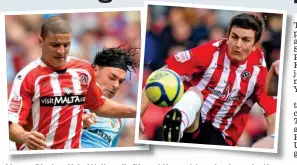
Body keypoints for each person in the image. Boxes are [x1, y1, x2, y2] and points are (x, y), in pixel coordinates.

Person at [141, 13, 277, 147]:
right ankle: (176, 123)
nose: (238, 44)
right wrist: (138, 115)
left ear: (255, 45)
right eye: (234, 37)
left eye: (246, 40)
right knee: (194, 92)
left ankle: (178, 122)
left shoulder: (260, 72)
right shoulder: (210, 52)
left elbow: (272, 117)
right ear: (227, 36)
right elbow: (162, 75)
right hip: (192, 123)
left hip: (221, 137)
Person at [8, 16, 136, 150]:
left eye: (66, 45)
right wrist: (24, 136)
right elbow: (11, 124)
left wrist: (136, 112)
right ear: (41, 42)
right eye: (55, 45)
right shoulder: (27, 76)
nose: (61, 51)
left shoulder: (83, 70)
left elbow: (98, 104)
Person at [80, 46, 139, 148]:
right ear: (95, 70)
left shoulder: (119, 119)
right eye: (112, 77)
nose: (116, 85)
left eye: (120, 82)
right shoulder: (75, 96)